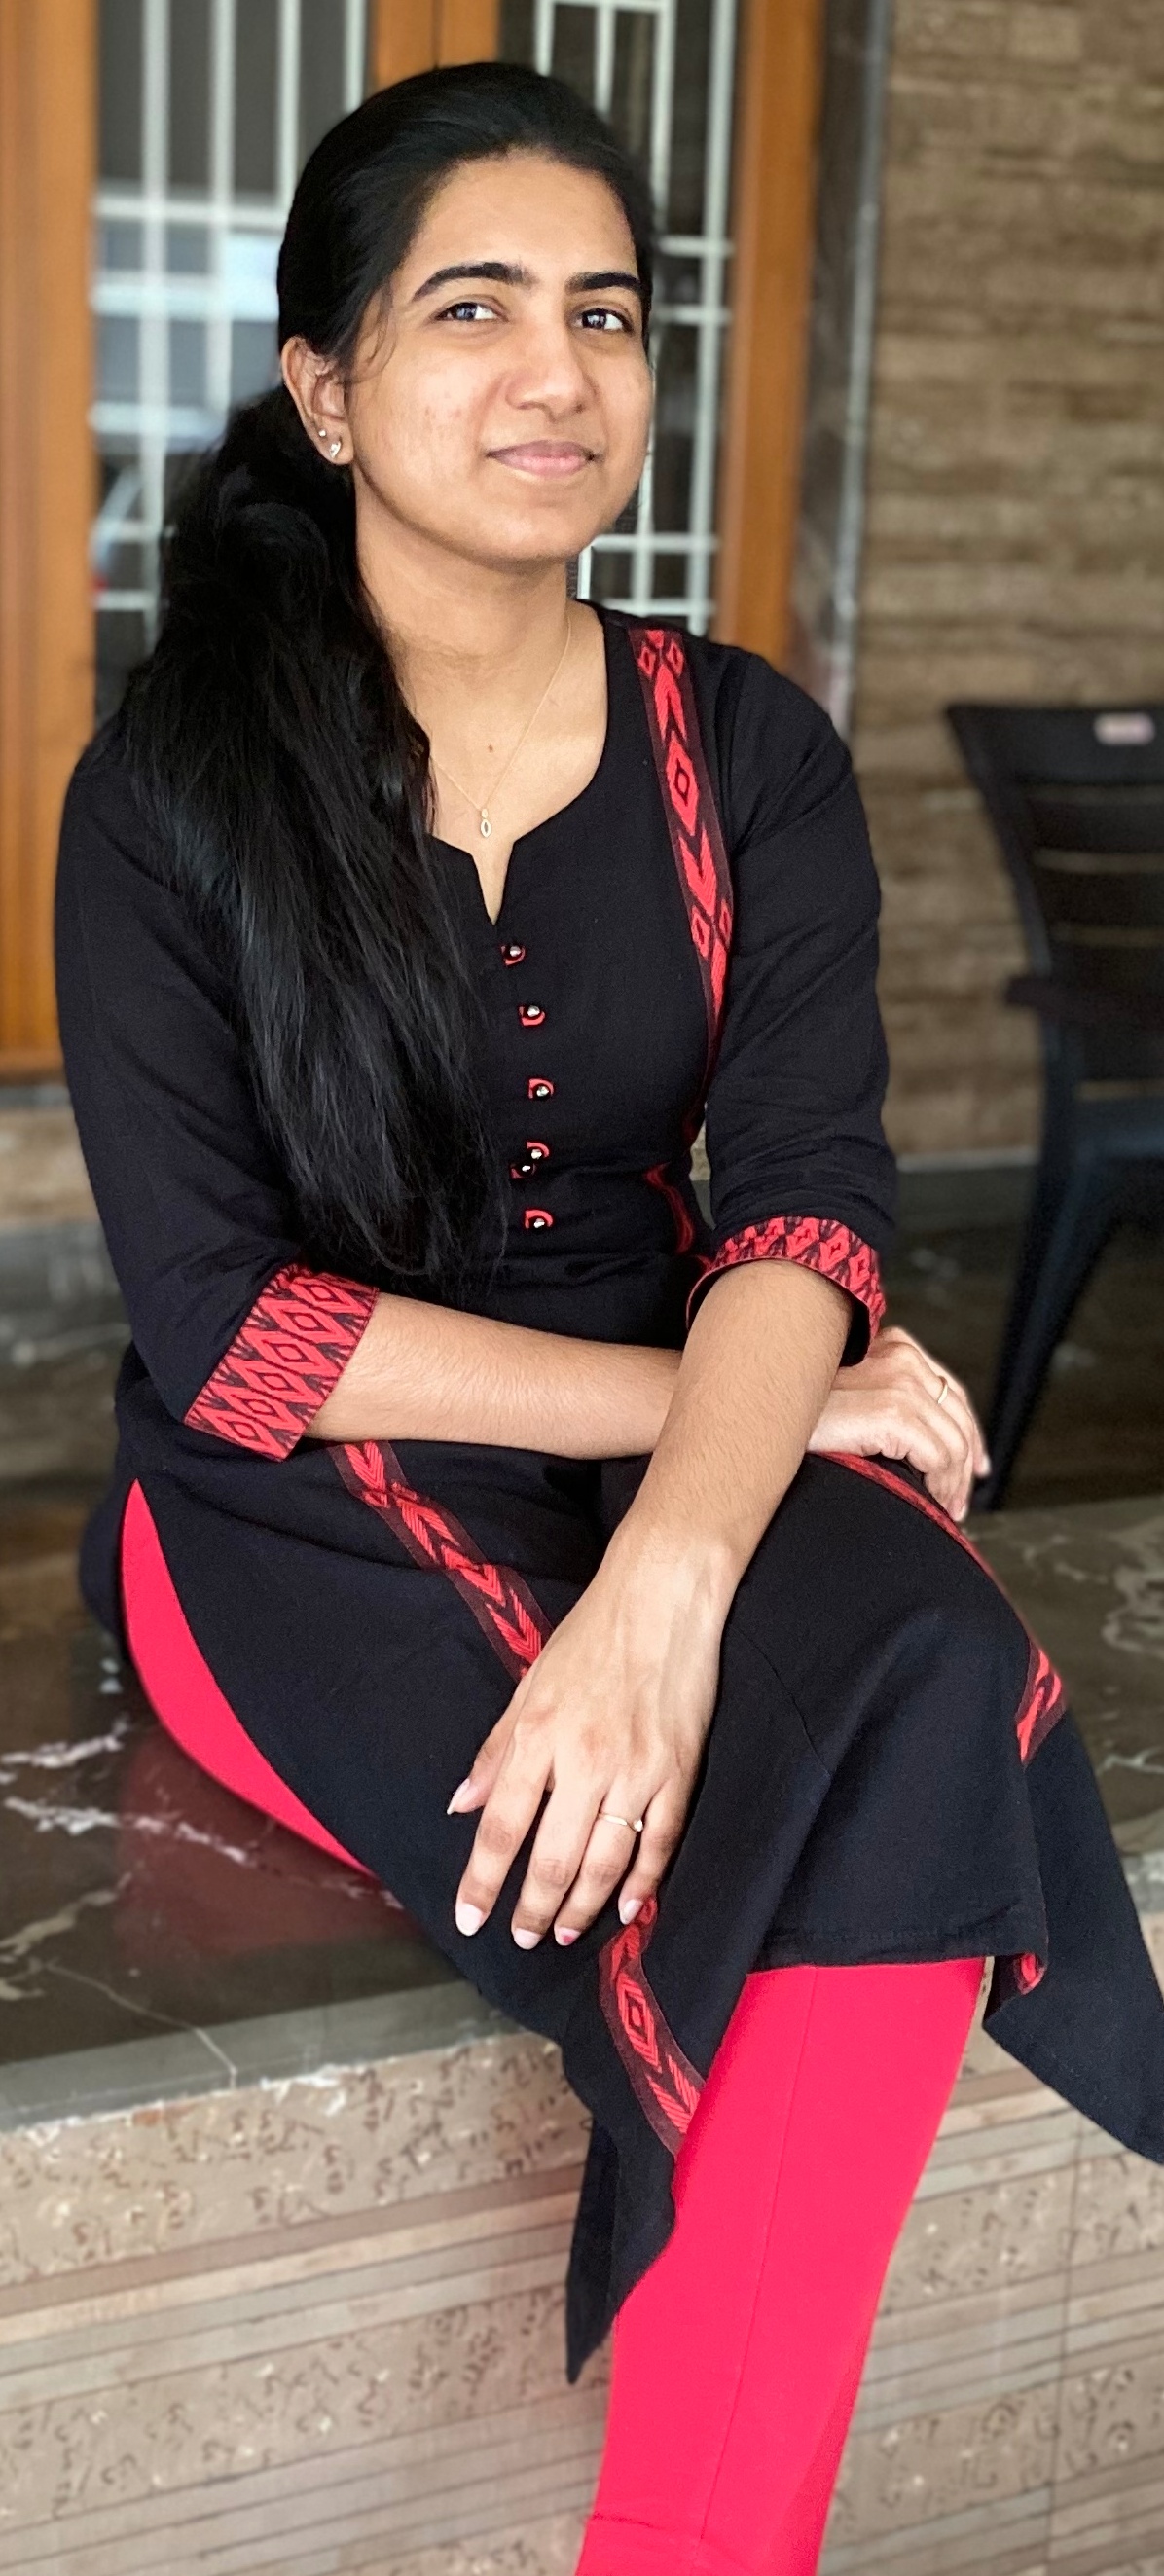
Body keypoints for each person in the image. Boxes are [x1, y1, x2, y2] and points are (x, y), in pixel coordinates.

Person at [55, 62, 1164, 2575]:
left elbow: (808, 1205)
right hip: (299, 1489)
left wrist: (673, 1574)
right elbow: (234, 1333)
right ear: (329, 385)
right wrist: (733, 1417)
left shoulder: (742, 747)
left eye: (607, 314)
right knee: (742, 1820)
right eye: (472, 310)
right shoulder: (173, 792)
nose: (556, 373)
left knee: (920, 1678)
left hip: (705, 1405)